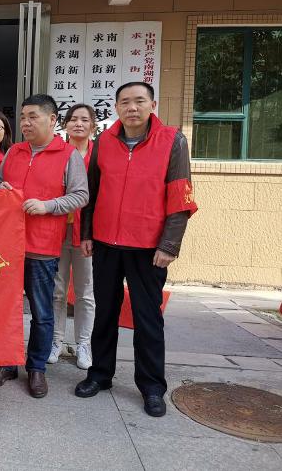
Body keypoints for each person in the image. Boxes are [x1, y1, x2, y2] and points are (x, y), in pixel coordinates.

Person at [75, 82, 197, 418]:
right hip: (105, 243)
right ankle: (99, 374)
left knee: (147, 318)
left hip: (148, 247)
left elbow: (181, 196)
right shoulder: (104, 141)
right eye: (125, 102)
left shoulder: (172, 140)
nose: (132, 108)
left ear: (152, 105)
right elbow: (92, 192)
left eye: (139, 101)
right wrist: (87, 233)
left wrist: (169, 244)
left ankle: (152, 387)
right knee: (105, 313)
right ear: (116, 107)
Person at [0, 94, 88, 398]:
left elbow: (80, 195)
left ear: (52, 120)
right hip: (7, 245)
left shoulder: (68, 155)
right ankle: (5, 364)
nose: (26, 123)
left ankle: (37, 367)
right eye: (23, 117)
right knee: (5, 308)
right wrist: (1, 188)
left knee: (42, 311)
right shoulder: (14, 152)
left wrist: (48, 205)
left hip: (42, 245)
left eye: (33, 117)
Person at [49, 104, 97, 370]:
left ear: (93, 126)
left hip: (87, 233)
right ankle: (55, 340)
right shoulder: (58, 153)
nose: (78, 124)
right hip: (56, 230)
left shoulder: (99, 156)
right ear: (64, 125)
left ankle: (83, 344)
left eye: (84, 120)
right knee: (57, 291)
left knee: (85, 292)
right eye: (73, 119)